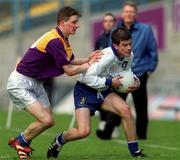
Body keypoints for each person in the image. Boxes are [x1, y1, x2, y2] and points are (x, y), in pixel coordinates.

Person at [6, 6, 100, 159]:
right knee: (46, 119)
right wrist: (88, 66)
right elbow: (69, 70)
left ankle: (21, 142)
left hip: (36, 83)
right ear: (63, 22)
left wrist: (87, 59)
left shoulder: (62, 38)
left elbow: (70, 60)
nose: (77, 25)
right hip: (20, 82)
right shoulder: (55, 40)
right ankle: (21, 142)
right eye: (74, 22)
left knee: (49, 121)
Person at [47, 27, 146, 159]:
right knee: (83, 131)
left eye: (130, 44)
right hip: (85, 90)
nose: (129, 48)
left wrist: (136, 81)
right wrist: (110, 82)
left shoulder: (129, 55)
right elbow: (88, 78)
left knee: (126, 110)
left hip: (103, 90)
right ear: (116, 46)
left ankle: (135, 152)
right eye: (125, 45)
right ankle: (59, 140)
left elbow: (126, 72)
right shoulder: (106, 56)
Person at [97, 1, 158, 140]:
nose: (128, 14)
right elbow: (109, 51)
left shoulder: (146, 30)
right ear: (122, 14)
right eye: (126, 12)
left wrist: (149, 70)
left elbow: (153, 51)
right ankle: (107, 132)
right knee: (117, 102)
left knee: (141, 105)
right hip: (119, 73)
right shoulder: (116, 30)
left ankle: (142, 135)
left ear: (136, 14)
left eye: (131, 12)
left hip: (140, 72)